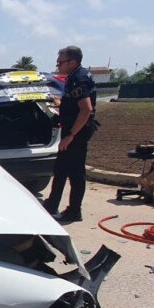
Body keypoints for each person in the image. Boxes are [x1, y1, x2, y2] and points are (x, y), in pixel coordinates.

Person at [43, 46, 97, 224]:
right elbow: (75, 103)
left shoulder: (79, 78)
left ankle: (74, 211)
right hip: (72, 130)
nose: (57, 65)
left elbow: (86, 109)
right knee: (60, 169)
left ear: (72, 62)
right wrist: (60, 102)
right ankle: (52, 205)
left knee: (75, 172)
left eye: (60, 62)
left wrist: (71, 135)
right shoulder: (74, 76)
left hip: (77, 133)